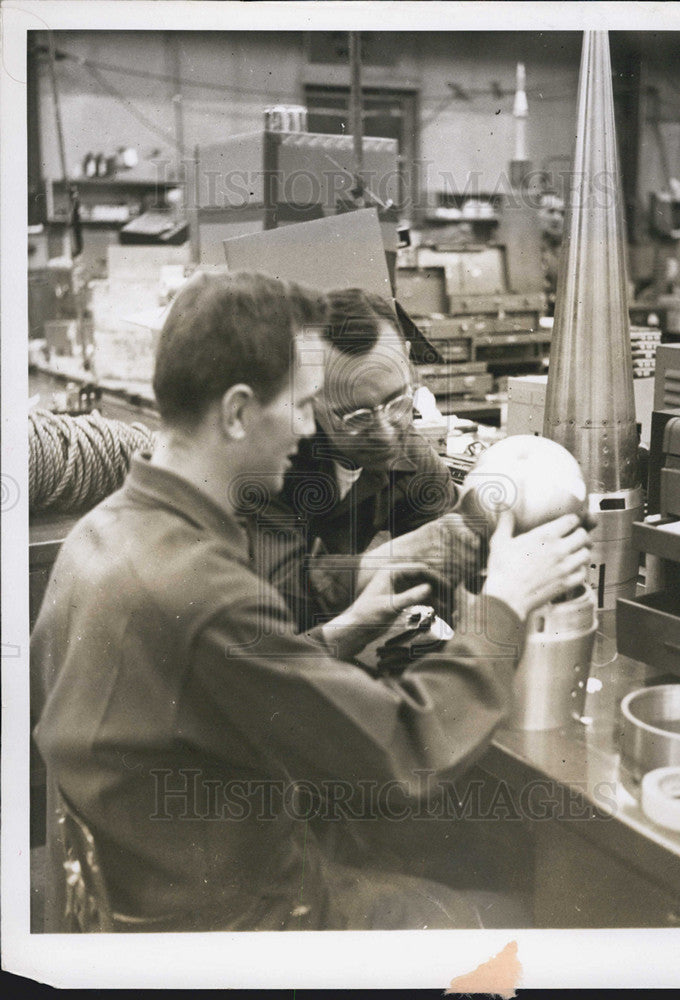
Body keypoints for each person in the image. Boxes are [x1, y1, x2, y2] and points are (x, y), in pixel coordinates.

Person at [33, 271, 592, 932]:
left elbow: (214, 690)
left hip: (127, 881)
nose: (307, 431)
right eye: (303, 405)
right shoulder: (203, 584)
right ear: (239, 412)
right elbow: (402, 750)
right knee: (500, 917)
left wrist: (346, 629)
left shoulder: (106, 532)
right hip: (222, 919)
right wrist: (504, 606)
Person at [249, 287, 479, 633]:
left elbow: (452, 570)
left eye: (397, 401)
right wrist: (399, 555)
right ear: (309, 396)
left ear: (407, 358)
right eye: (356, 417)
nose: (386, 433)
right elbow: (273, 598)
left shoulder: (409, 456)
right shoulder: (268, 462)